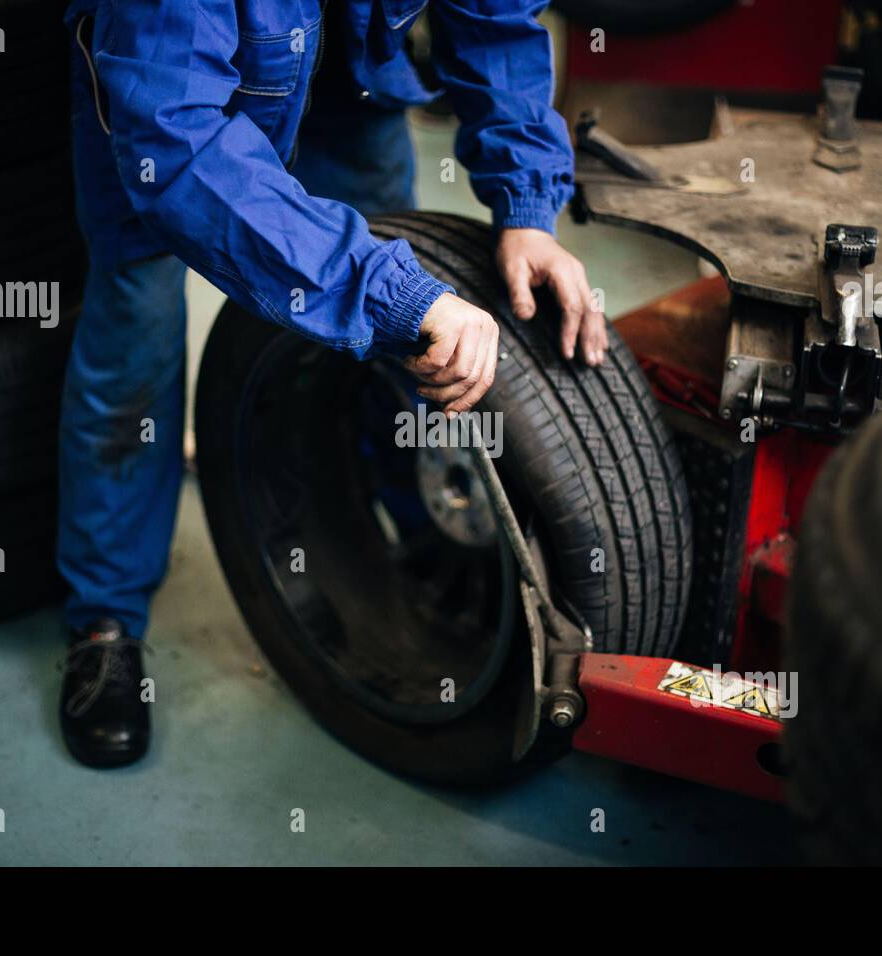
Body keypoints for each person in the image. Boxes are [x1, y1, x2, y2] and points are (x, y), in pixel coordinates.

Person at [57, 0, 608, 767]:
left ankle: (399, 528)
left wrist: (527, 207)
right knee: (136, 328)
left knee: (394, 293)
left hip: (352, 71)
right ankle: (104, 623)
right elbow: (178, 145)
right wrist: (383, 292)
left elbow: (496, 20)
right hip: (166, 91)